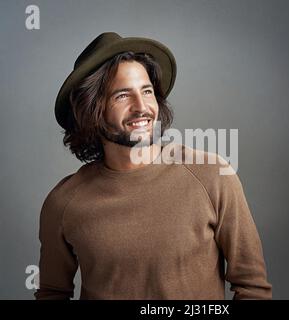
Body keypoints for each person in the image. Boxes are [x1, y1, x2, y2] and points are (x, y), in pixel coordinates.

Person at [35, 32, 272, 300]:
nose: (142, 107)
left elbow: (252, 287)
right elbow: (52, 293)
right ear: (92, 110)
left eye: (146, 91)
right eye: (122, 95)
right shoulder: (63, 203)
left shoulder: (212, 176)